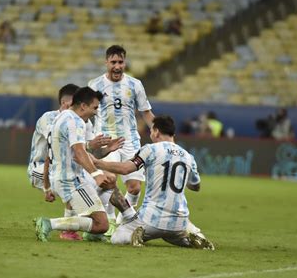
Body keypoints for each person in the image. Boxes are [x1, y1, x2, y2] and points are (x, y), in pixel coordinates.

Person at [92, 115, 214, 249]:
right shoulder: (188, 156)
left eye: (151, 130)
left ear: (156, 131)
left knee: (117, 237)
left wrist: (98, 163)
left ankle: (134, 235)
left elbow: (126, 169)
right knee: (174, 238)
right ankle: (192, 240)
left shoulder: (150, 149)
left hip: (151, 220)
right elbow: (196, 186)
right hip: (179, 222)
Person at [34, 87, 137, 242]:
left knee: (108, 182)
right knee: (101, 224)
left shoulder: (62, 118)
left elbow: (79, 152)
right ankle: (49, 224)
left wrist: (107, 150)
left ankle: (97, 231)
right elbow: (79, 153)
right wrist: (96, 174)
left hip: (65, 176)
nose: (96, 112)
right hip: (70, 181)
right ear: (83, 106)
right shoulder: (75, 122)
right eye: (94, 107)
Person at [88, 45, 155, 232]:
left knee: (134, 188)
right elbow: (85, 113)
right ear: (106, 62)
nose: (117, 66)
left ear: (125, 62)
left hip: (130, 141)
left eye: (121, 62)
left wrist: (160, 133)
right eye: (113, 62)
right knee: (109, 179)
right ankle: (109, 222)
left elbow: (146, 113)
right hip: (106, 141)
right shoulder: (95, 85)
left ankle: (122, 220)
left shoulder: (135, 85)